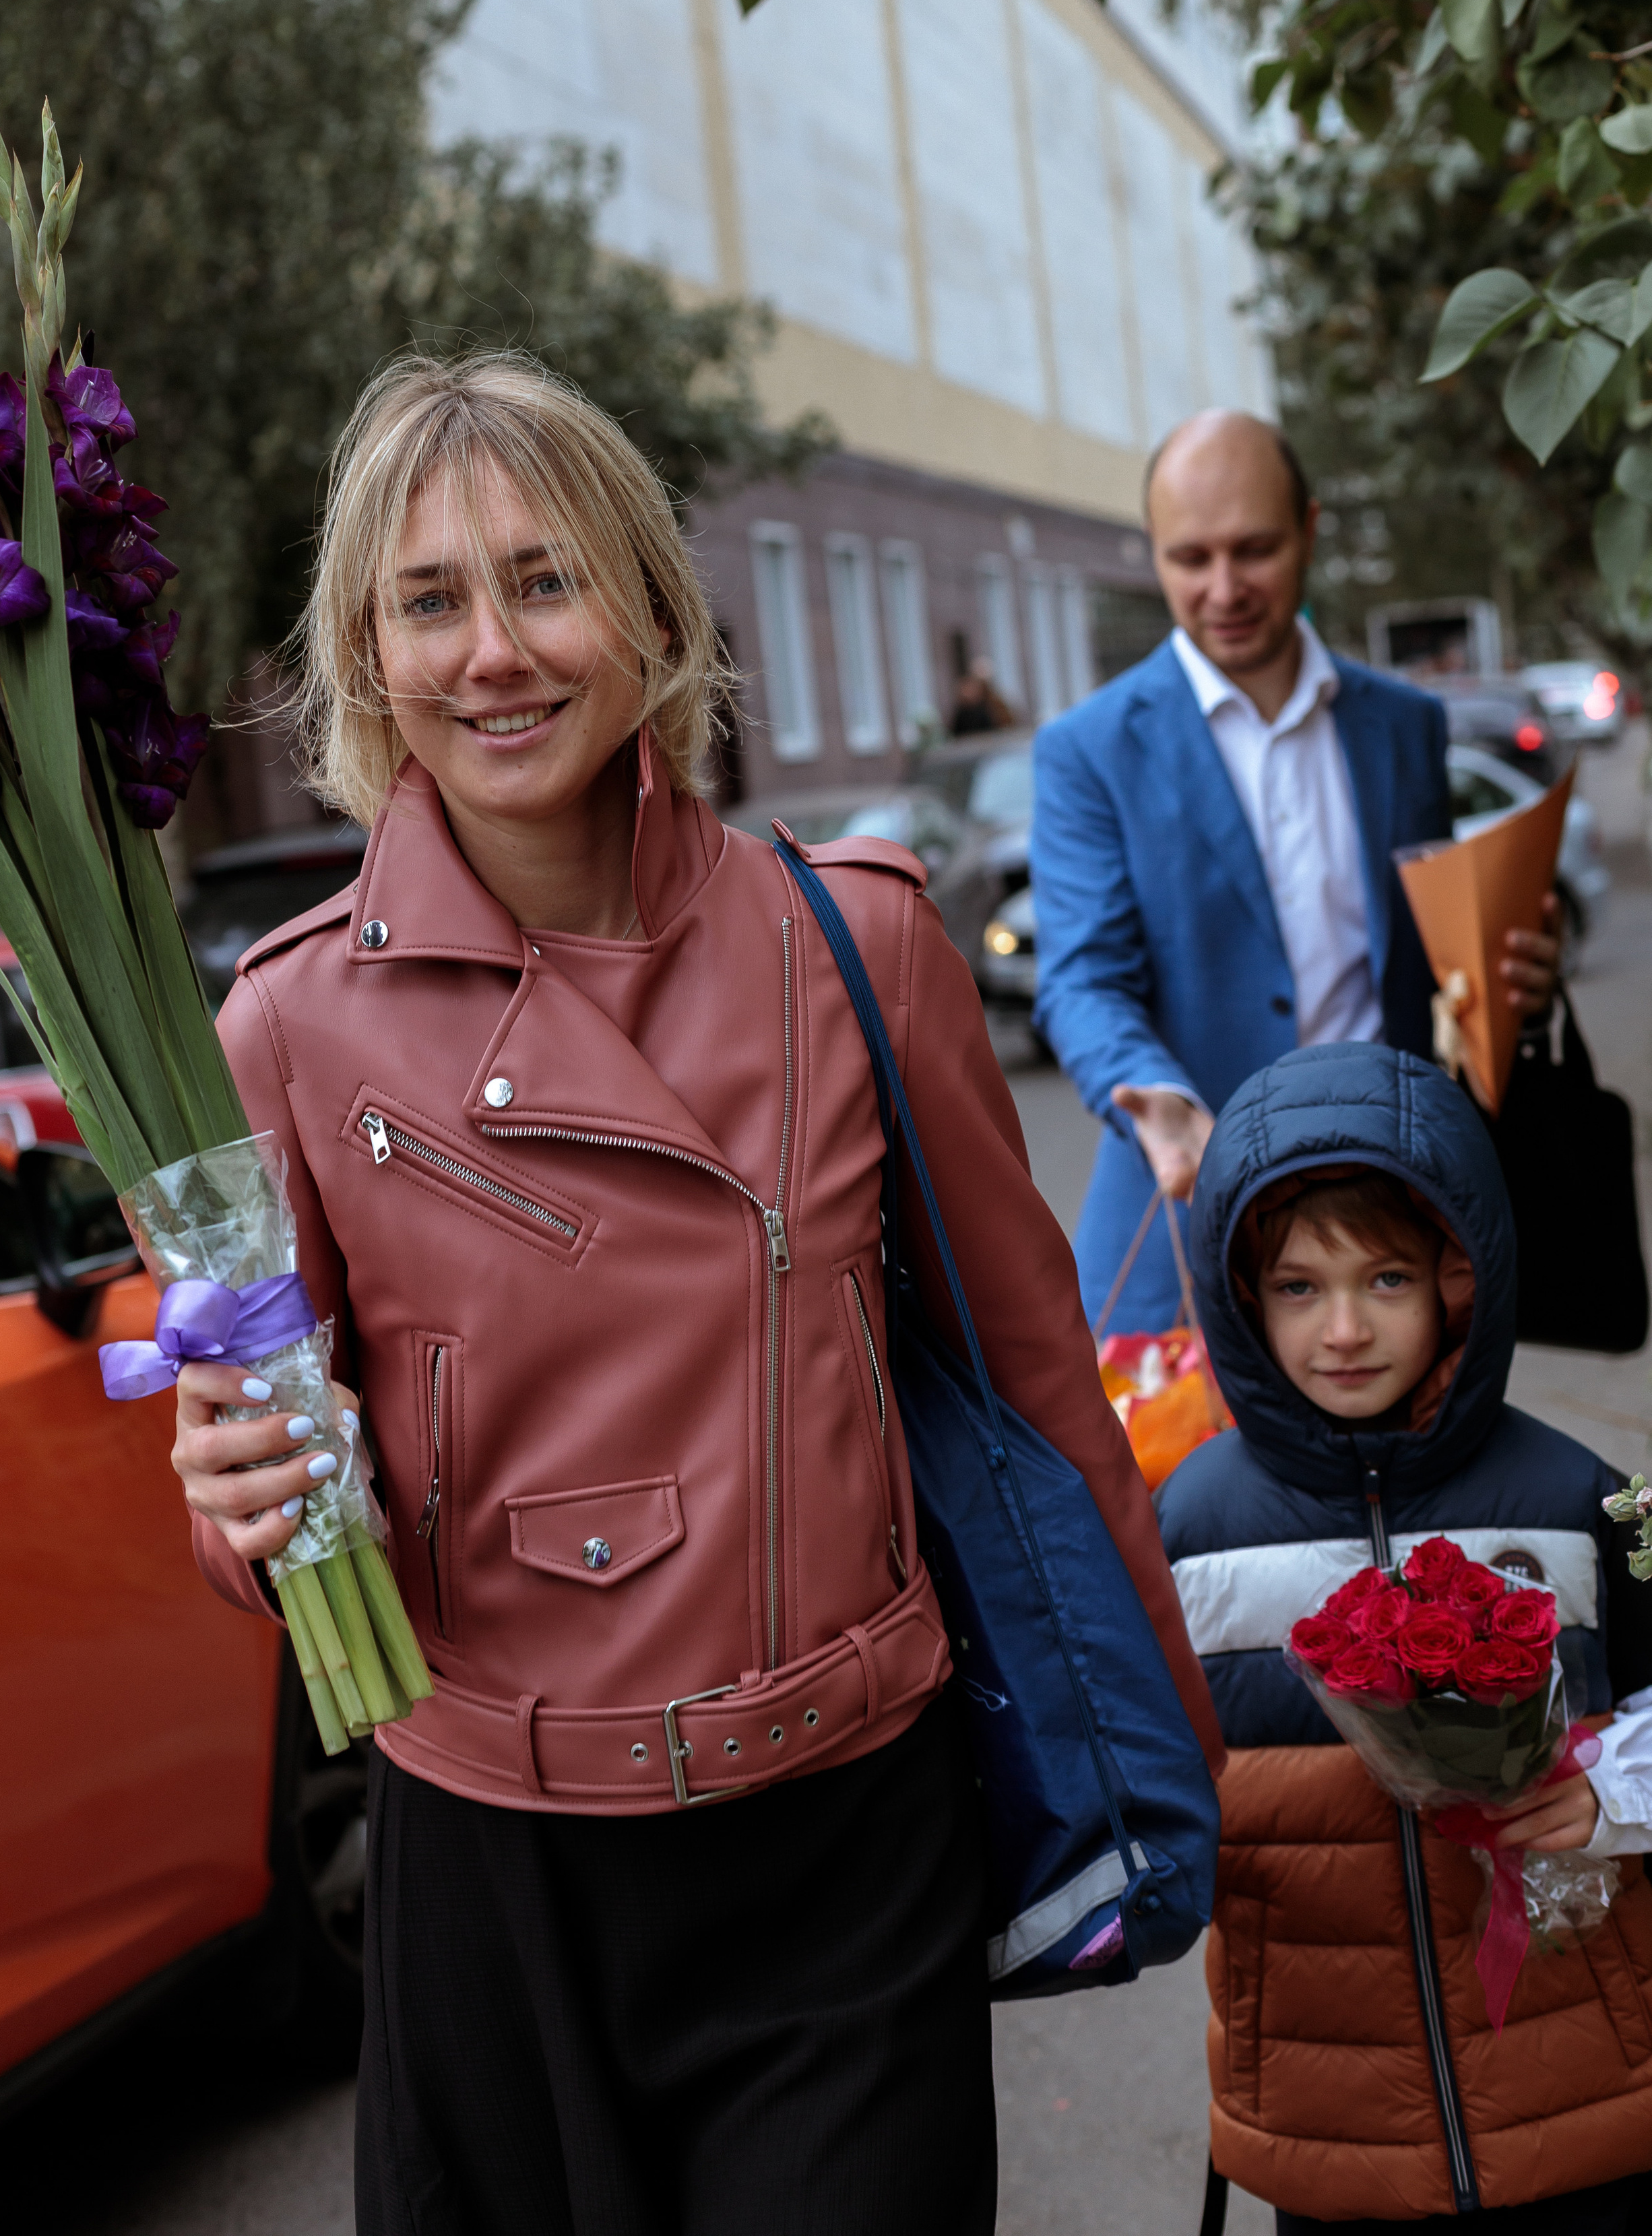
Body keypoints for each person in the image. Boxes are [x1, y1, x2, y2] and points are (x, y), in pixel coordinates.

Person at [167, 353, 1221, 2236]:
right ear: (365, 649)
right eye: (430, 597)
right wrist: (233, 1508)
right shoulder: (285, 1026)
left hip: (839, 1852)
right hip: (493, 1880)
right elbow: (276, 1498)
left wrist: (1176, 1766)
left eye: (548, 578)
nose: (494, 649)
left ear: (652, 607)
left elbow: (1051, 1399)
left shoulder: (862, 945)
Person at [1159, 1037, 1652, 2232]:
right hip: (1334, 2101)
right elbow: (1142, 1773)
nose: (1343, 1330)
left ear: (1458, 1279)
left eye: (1385, 1280)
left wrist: (1615, 1792)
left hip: (1577, 2079)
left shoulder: (1592, 1498)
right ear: (1241, 1297)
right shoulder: (1185, 1528)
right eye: (1297, 1287)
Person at [1029, 410, 1560, 1333]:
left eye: (1256, 550)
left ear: (1311, 532)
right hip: (1190, 1236)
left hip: (1393, 1224)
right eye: (1190, 559)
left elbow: (1436, 969)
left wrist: (1518, 978)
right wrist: (1154, 1097)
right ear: (1154, 553)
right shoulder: (1088, 750)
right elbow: (1080, 980)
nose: (1224, 588)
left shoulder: (1405, 725)